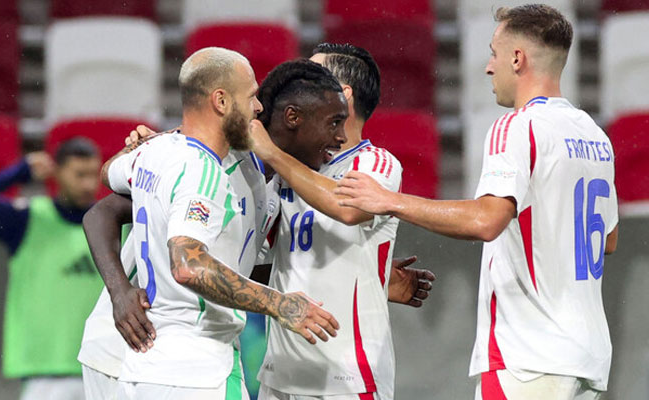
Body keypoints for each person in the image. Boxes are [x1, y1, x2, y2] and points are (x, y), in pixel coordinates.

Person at [78, 58, 434, 400]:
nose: (339, 138)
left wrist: (365, 276)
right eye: (332, 122)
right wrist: (119, 291)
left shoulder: (272, 190)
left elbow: (235, 270)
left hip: (170, 353)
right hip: (132, 341)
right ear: (294, 116)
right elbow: (101, 215)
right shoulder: (215, 160)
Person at [334, 5, 619, 400]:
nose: (488, 67)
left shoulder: (516, 127)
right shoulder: (594, 135)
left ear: (517, 59)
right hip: (587, 356)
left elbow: (486, 221)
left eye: (494, 53)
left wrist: (390, 200)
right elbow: (608, 239)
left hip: (528, 354)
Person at [99, 48, 339, 400]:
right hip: (198, 370)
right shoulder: (204, 169)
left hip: (144, 370)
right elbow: (189, 265)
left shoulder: (157, 151)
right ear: (222, 101)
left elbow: (108, 173)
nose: (258, 108)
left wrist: (143, 144)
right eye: (252, 97)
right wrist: (280, 304)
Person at [248, 43, 426, 400]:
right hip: (279, 375)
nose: (301, 83)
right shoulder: (287, 171)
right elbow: (251, 263)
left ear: (342, 95)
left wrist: (270, 152)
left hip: (347, 378)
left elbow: (346, 208)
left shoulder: (378, 164)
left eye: (313, 76)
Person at [0, 138, 103, 400]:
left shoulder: (109, 225)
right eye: (79, 174)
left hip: (101, 370)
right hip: (44, 375)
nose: (88, 184)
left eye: (93, 174)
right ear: (57, 172)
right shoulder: (27, 220)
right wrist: (19, 172)